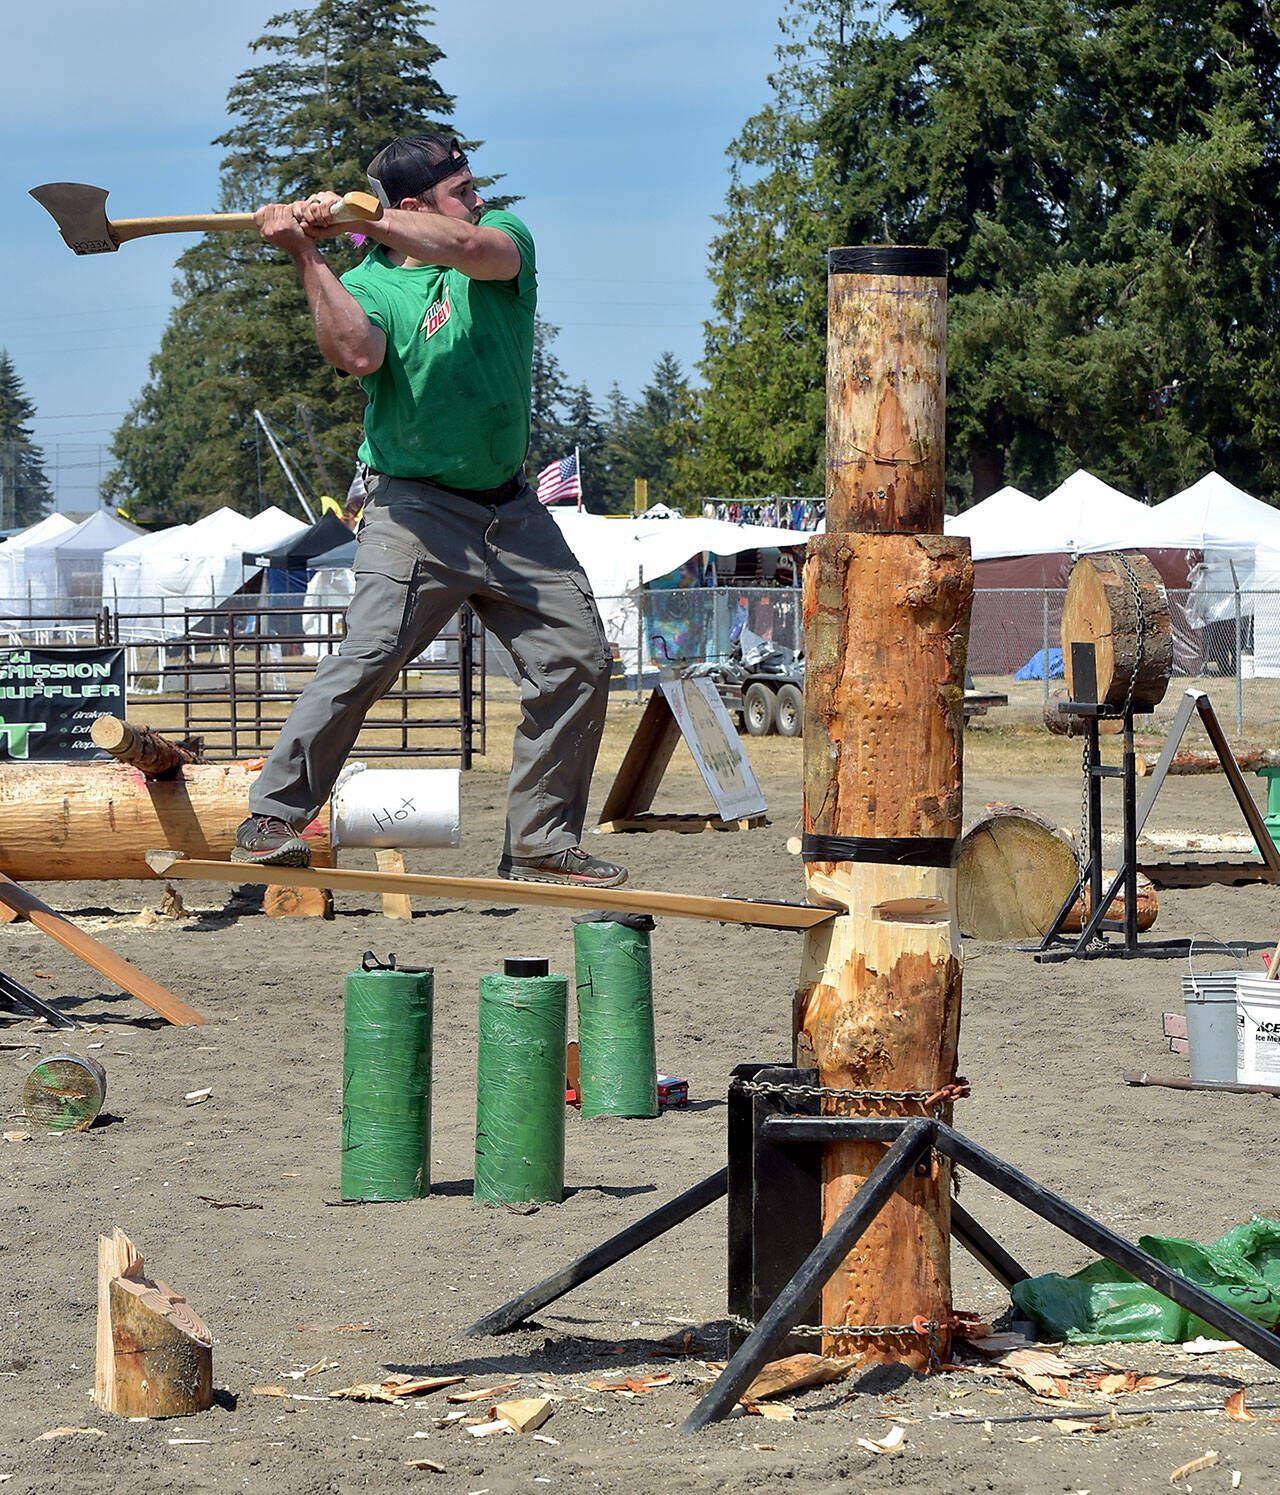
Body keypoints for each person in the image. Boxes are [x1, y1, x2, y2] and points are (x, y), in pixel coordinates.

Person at [233, 134, 625, 889]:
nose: (477, 199)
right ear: (413, 203)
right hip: (413, 508)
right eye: (459, 189)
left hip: (509, 508)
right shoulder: (371, 284)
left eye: (472, 186)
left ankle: (542, 842)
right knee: (373, 649)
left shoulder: (500, 238)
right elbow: (356, 354)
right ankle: (274, 813)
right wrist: (307, 255)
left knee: (579, 657)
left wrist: (366, 219)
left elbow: (472, 244)